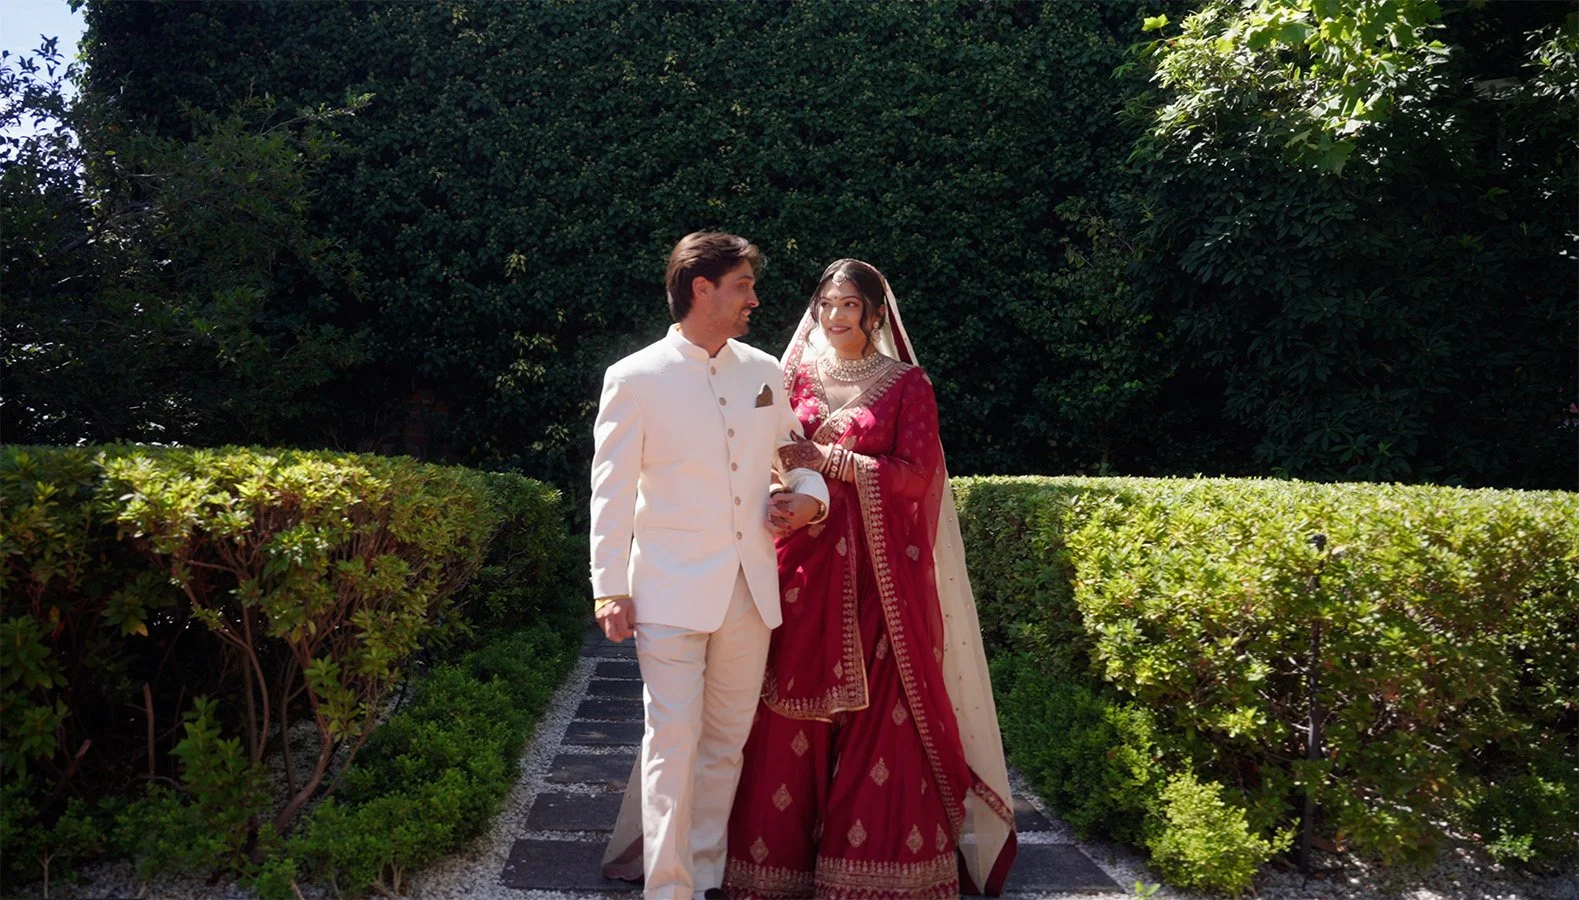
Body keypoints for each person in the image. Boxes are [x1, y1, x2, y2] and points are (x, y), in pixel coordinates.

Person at [721, 259, 1018, 899]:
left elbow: (917, 477)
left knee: (881, 723)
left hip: (878, 583)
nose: (834, 317)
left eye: (849, 306)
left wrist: (835, 461)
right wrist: (782, 491)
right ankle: (773, 871)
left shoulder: (908, 385)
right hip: (798, 569)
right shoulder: (787, 375)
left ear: (875, 313)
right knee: (783, 714)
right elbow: (757, 453)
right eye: (826, 304)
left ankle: (871, 876)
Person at [591, 232, 832, 900]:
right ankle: (668, 893)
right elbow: (609, 492)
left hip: (749, 589)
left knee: (725, 745)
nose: (755, 299)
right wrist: (609, 587)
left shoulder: (762, 371)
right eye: (742, 286)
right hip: (667, 588)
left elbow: (796, 456)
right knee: (672, 743)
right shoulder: (632, 377)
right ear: (702, 288)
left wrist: (808, 504)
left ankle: (702, 878)